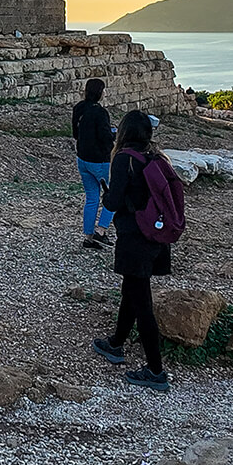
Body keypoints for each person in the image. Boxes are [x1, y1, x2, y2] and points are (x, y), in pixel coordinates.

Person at [90, 110, 174, 392]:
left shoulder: (124, 159)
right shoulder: (157, 157)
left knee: (142, 303)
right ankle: (116, 343)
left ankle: (156, 370)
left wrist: (107, 195)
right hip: (155, 235)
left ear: (124, 131)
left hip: (134, 237)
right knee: (131, 289)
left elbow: (113, 203)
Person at [71, 79, 116, 250]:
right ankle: (101, 230)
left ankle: (88, 238)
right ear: (99, 92)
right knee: (112, 196)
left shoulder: (79, 108)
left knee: (91, 198)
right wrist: (114, 135)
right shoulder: (100, 112)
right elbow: (105, 138)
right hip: (100, 161)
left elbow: (76, 134)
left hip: (83, 159)